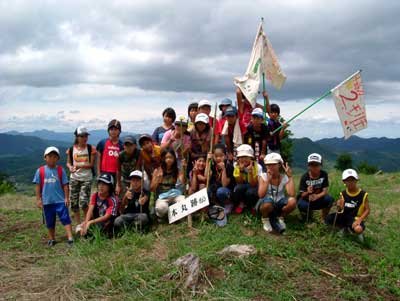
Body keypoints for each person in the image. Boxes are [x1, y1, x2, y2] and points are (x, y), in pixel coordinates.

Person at [33, 147, 73, 247]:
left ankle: (70, 238)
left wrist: (66, 198)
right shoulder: (40, 171)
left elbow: (65, 185)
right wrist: (38, 199)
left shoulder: (60, 170)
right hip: (47, 201)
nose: (52, 158)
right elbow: (37, 186)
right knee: (50, 221)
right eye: (49, 156)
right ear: (45, 157)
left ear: (58, 158)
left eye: (55, 156)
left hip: (60, 200)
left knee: (65, 219)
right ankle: (52, 238)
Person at [325, 169, 370, 242]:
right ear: (344, 182)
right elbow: (340, 209)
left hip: (355, 218)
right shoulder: (343, 194)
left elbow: (367, 210)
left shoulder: (363, 194)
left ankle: (358, 234)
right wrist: (338, 205)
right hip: (344, 216)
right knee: (328, 218)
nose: (350, 182)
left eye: (352, 180)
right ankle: (344, 228)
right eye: (347, 180)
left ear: (356, 180)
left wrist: (359, 219)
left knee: (358, 229)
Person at [257, 153, 296, 234]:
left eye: (273, 164)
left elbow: (291, 194)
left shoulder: (284, 177)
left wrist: (290, 177)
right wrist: (268, 180)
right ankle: (265, 219)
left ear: (279, 165)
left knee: (292, 201)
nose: (270, 167)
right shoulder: (262, 176)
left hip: (278, 204)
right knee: (268, 203)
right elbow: (261, 195)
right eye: (268, 165)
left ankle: (281, 218)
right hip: (266, 203)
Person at [66, 126, 96, 226]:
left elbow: (91, 164)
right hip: (74, 178)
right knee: (74, 204)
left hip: (86, 178)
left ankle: (88, 223)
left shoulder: (90, 148)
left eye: (86, 136)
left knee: (83, 203)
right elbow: (68, 163)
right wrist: (70, 167)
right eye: (82, 136)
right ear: (77, 137)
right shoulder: (70, 150)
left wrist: (78, 165)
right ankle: (79, 225)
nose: (84, 138)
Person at [151, 148, 186, 220]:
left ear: (174, 159)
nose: (169, 159)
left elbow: (183, 182)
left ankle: (172, 213)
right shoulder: (157, 170)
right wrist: (157, 179)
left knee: (183, 200)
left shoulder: (177, 170)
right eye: (166, 157)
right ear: (163, 159)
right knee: (161, 208)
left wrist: (183, 169)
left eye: (171, 157)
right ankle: (164, 214)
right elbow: (152, 189)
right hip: (161, 197)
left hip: (174, 195)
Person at [297, 153, 334, 222]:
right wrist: (307, 192)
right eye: (312, 165)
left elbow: (325, 191)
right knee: (301, 204)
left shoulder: (324, 174)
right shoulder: (304, 177)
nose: (314, 167)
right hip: (307, 200)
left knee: (330, 199)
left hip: (319, 198)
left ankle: (323, 218)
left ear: (321, 165)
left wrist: (317, 196)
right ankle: (308, 217)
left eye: (317, 165)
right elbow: (302, 195)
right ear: (308, 166)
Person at [232, 144, 263, 214]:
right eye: (241, 157)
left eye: (246, 157)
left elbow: (254, 184)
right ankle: (242, 203)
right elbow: (239, 182)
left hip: (254, 186)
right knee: (238, 188)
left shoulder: (258, 167)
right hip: (243, 185)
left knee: (250, 192)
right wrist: (241, 171)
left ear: (251, 158)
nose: (243, 159)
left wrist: (251, 172)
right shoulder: (236, 166)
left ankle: (252, 205)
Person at [206, 144, 235, 214]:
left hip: (227, 192)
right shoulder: (212, 165)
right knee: (207, 190)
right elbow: (206, 177)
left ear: (225, 156)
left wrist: (223, 169)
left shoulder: (229, 166)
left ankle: (228, 204)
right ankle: (216, 204)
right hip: (215, 190)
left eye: (221, 156)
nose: (218, 158)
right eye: (216, 156)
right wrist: (207, 161)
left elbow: (224, 184)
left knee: (221, 191)